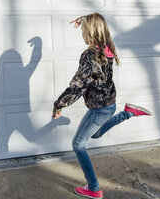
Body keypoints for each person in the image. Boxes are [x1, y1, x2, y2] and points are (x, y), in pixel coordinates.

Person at [52, 13, 152, 199]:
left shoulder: (90, 55)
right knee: (95, 134)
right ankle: (127, 113)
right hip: (109, 105)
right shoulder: (106, 48)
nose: (81, 34)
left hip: (99, 109)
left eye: (83, 30)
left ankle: (94, 188)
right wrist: (84, 19)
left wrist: (59, 104)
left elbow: (77, 85)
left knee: (78, 144)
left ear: (90, 32)